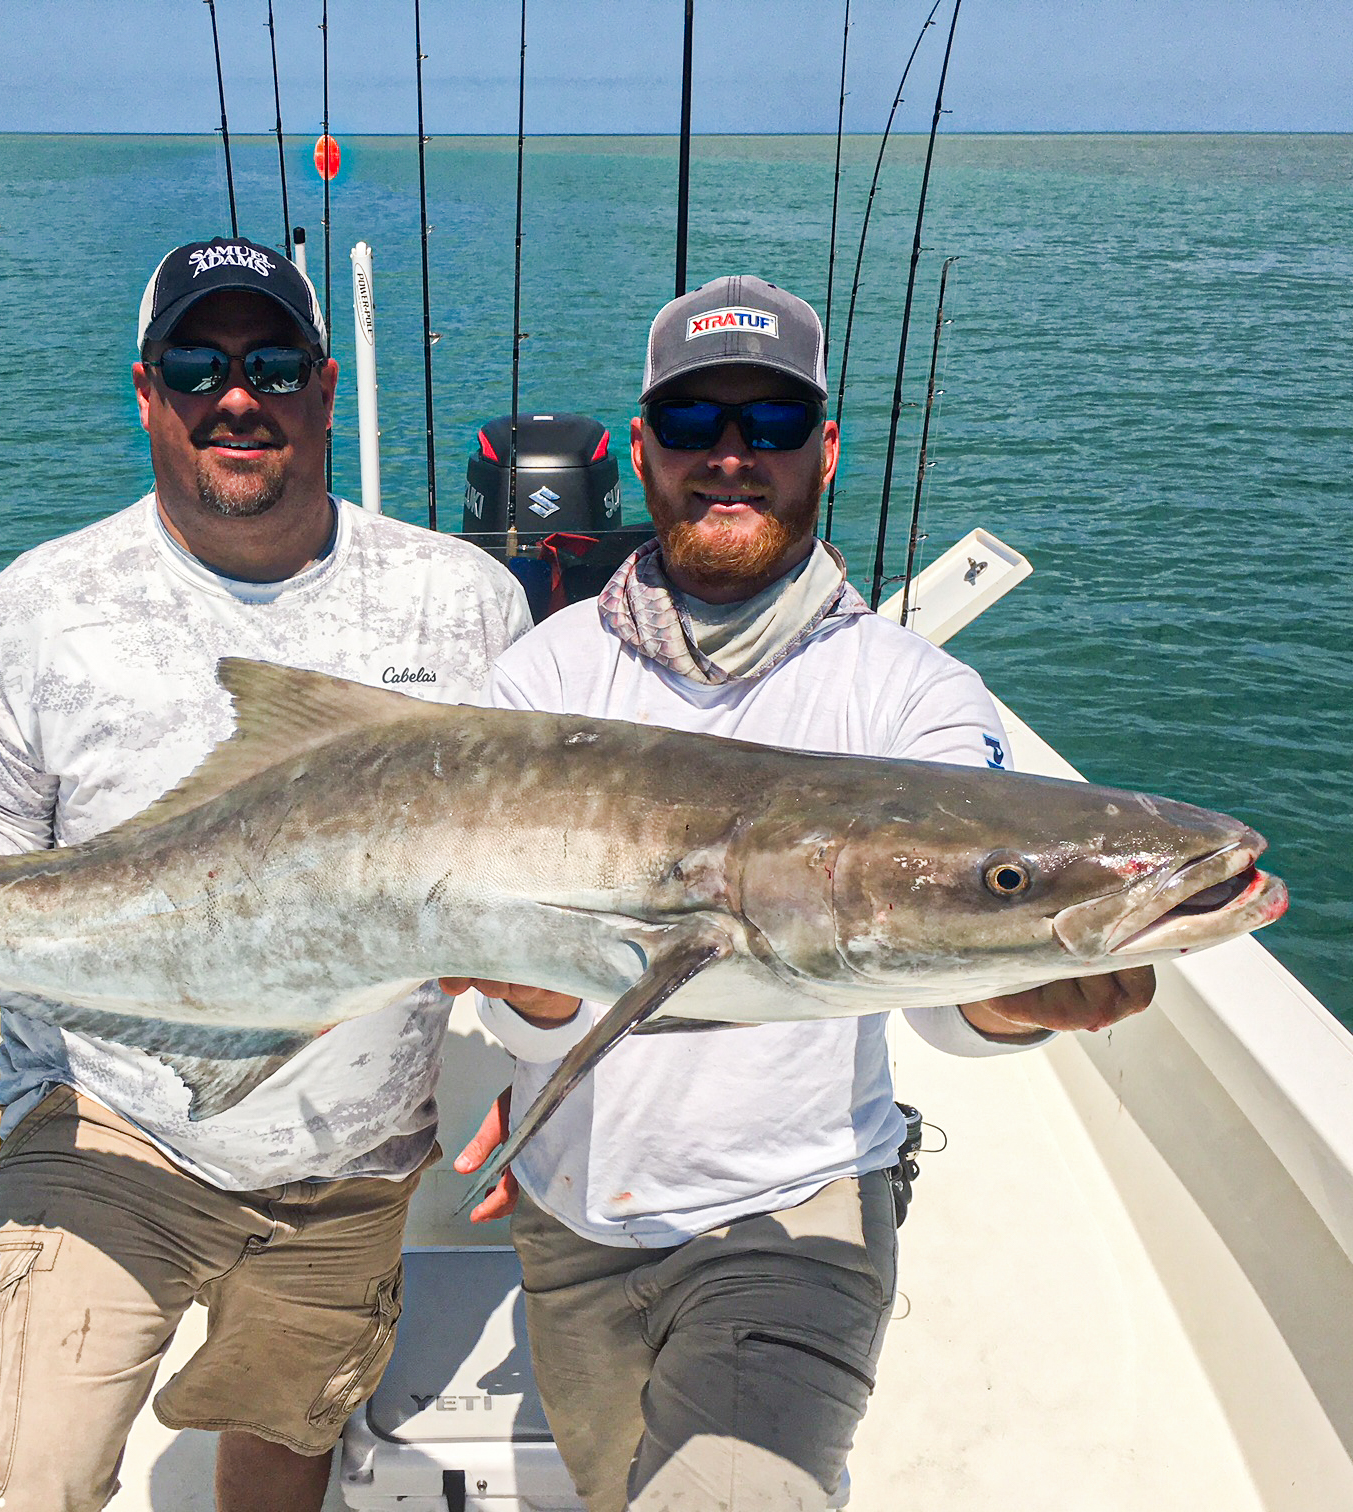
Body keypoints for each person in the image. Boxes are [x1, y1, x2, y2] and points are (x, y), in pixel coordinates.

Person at [440, 276, 1153, 1512]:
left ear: (822, 448)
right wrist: (520, 1002)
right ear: (642, 450)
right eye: (694, 426)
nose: (731, 458)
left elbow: (929, 984)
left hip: (796, 1218)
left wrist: (1015, 999)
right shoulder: (536, 684)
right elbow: (507, 1001)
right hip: (571, 1218)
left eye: (769, 426)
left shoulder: (911, 699)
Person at [0, 235, 532, 1512]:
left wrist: (541, 1067)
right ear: (147, 391)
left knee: (279, 1466)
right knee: (17, 1483)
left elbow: (531, 867)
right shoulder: (37, 605)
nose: (238, 394)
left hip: (352, 1150)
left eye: (273, 361)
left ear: (325, 388)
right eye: (197, 362)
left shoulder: (466, 604)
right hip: (104, 1124)